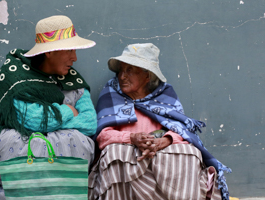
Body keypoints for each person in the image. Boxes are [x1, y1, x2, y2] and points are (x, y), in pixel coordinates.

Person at [0, 15, 97, 200]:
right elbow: (32, 119)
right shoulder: (17, 77)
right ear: (50, 51)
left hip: (42, 137)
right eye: (69, 50)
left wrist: (51, 126)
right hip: (21, 143)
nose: (75, 57)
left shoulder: (73, 81)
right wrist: (68, 111)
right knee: (15, 141)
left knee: (76, 140)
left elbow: (89, 123)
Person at [88, 43, 232, 200]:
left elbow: (182, 131)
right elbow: (103, 136)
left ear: (147, 75)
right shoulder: (111, 94)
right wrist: (132, 139)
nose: (122, 76)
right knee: (114, 153)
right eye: (121, 71)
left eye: (129, 71)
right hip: (128, 154)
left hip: (162, 153)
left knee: (190, 153)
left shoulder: (165, 96)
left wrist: (164, 141)